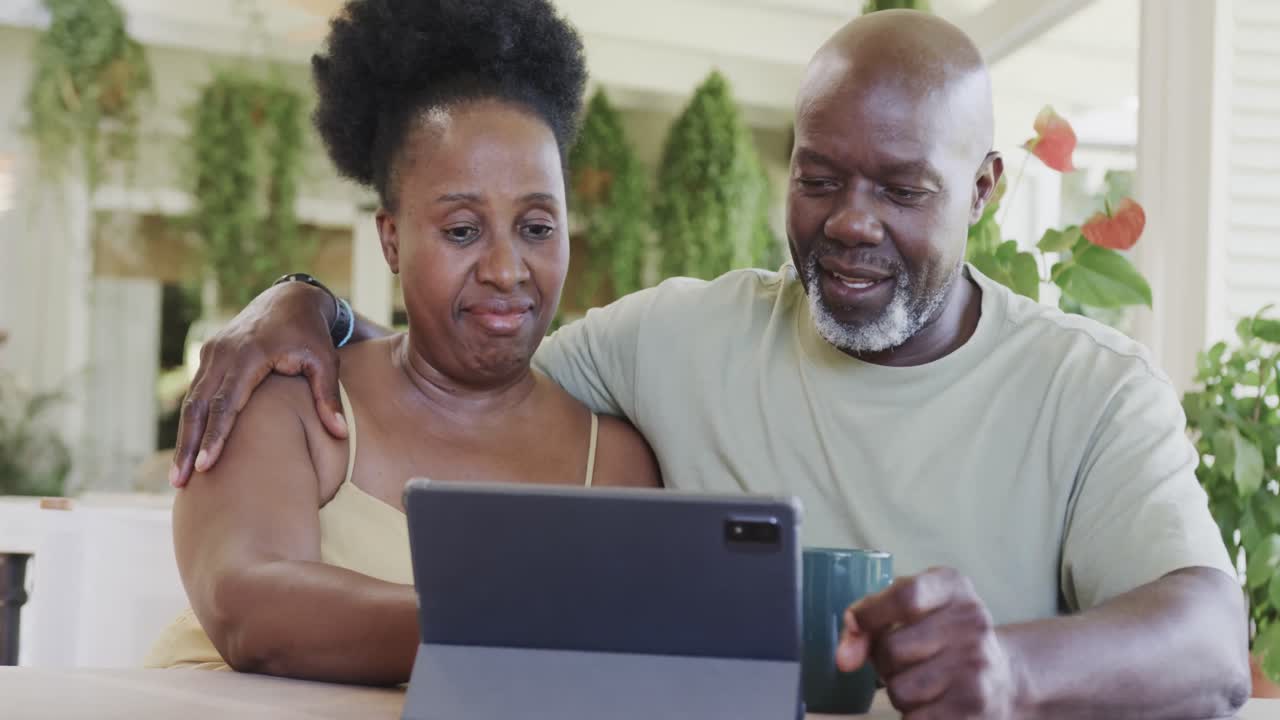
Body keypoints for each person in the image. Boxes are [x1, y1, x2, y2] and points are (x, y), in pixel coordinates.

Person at [170, 9, 1251, 718]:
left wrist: (1013, 672)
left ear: (980, 191)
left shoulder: (1089, 388)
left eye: (902, 189)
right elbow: (466, 357)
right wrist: (299, 304)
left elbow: (1208, 643)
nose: (851, 225)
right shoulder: (677, 341)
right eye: (819, 178)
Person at [145, 0, 659, 685]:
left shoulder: (617, 462)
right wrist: (518, 627)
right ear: (392, 238)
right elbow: (249, 609)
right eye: (462, 230)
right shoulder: (289, 392)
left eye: (537, 227)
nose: (506, 270)